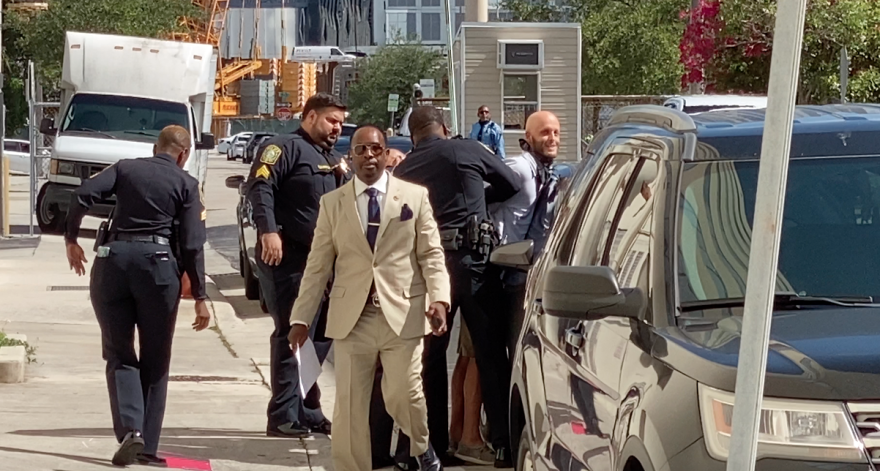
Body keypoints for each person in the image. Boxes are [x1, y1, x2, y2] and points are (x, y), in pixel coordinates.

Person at [288, 125, 451, 471]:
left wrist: (439, 298)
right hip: (352, 318)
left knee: (404, 393)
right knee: (349, 406)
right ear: (351, 156)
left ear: (387, 153)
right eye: (360, 150)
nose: (368, 157)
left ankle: (421, 448)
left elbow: (432, 255)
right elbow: (317, 266)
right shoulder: (332, 204)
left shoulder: (414, 196)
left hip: (403, 313)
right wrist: (301, 318)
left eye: (375, 149)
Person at [63, 125, 211, 467]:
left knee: (118, 352)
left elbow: (81, 194)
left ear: (154, 147)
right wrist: (200, 295)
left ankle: (131, 430)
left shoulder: (125, 167)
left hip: (112, 262)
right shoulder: (186, 184)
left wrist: (71, 239)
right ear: (184, 154)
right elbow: (191, 243)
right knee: (156, 360)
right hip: (158, 269)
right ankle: (147, 448)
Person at [394, 106, 521, 468]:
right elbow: (510, 183)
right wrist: (479, 202)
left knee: (430, 359)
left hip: (431, 268)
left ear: (413, 134)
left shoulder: (404, 169)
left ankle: (433, 447)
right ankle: (503, 445)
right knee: (491, 354)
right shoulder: (466, 149)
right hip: (476, 263)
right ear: (444, 128)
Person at [245, 92, 349, 438]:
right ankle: (283, 414)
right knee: (293, 333)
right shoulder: (281, 147)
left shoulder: (333, 158)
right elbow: (260, 187)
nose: (337, 127)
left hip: (324, 264)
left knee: (319, 339)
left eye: (340, 123)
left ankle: (307, 408)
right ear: (310, 117)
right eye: (331, 120)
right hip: (288, 258)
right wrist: (268, 231)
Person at [484, 111, 566, 359]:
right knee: (506, 356)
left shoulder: (548, 172)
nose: (552, 138)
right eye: (545, 132)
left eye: (556, 132)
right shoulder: (519, 169)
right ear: (528, 137)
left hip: (530, 278)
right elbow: (480, 200)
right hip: (503, 276)